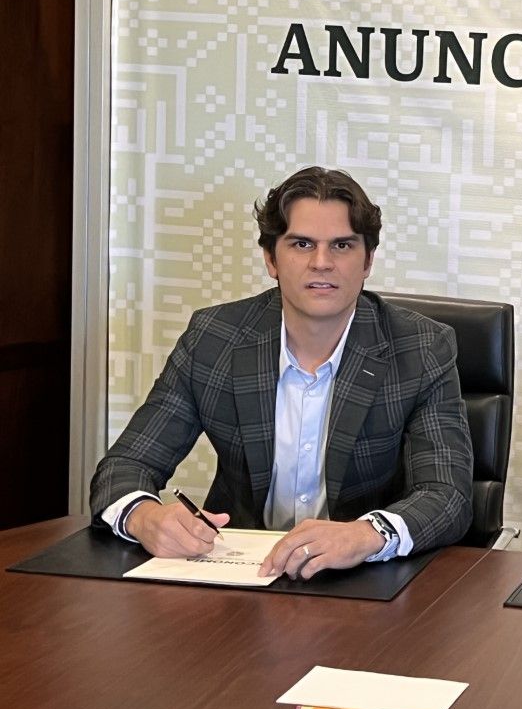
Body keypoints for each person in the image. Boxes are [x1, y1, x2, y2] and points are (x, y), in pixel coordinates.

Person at [90, 166, 473, 579]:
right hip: (240, 578)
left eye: (342, 245)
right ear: (271, 259)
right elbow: (124, 466)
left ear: (368, 261)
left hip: (362, 580)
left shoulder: (420, 348)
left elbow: (447, 495)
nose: (322, 263)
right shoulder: (214, 338)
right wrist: (144, 517)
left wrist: (367, 534)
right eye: (302, 244)